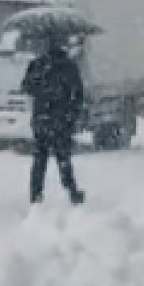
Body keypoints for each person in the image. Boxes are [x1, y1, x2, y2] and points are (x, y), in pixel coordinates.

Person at [20, 33, 87, 205]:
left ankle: (36, 195)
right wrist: (72, 114)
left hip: (41, 118)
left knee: (39, 159)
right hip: (62, 120)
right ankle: (72, 192)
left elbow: (25, 87)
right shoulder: (69, 66)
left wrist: (40, 87)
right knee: (63, 158)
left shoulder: (37, 65)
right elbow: (78, 93)